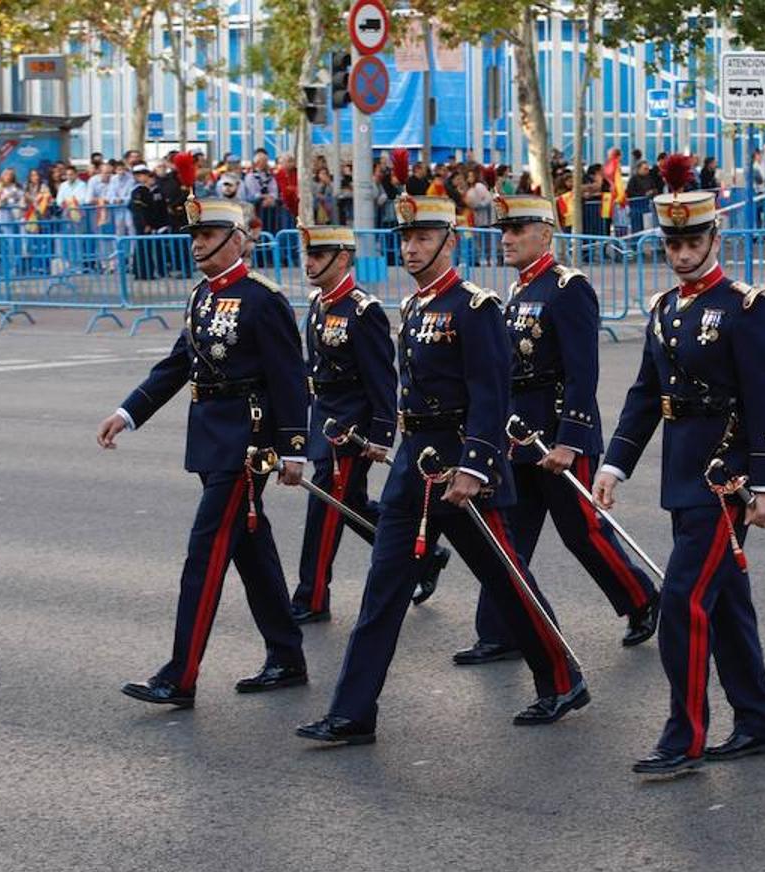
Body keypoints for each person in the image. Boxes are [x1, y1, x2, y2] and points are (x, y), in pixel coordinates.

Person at [295, 194, 590, 746]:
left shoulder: (473, 307)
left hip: (462, 469)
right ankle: (352, 711)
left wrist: (476, 466)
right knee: (382, 590)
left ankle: (562, 676)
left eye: (424, 239)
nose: (411, 248)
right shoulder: (413, 307)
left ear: (449, 243)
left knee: (508, 580)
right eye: (405, 239)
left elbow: (490, 392)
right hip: (415, 470)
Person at [593, 155, 765, 779]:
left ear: (714, 240)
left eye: (691, 241)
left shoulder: (746, 308)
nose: (680, 253)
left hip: (723, 483)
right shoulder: (665, 309)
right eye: (672, 242)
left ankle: (686, 734)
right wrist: (615, 465)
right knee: (726, 606)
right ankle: (756, 722)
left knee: (681, 603)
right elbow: (647, 396)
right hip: (683, 479)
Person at [97, 198, 310, 708]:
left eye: (209, 233)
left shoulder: (264, 299)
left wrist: (294, 448)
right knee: (250, 551)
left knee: (205, 553)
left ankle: (180, 675)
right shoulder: (201, 296)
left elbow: (289, 378)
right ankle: (287, 655)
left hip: (247, 445)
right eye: (194, 234)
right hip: (211, 439)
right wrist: (127, 413)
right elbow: (177, 366)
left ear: (237, 239)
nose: (197, 243)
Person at [450, 194, 661, 667]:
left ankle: (641, 598)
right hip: (518, 435)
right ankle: (502, 630)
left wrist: (570, 438)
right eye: (503, 231)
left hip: (558, 433)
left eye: (517, 231)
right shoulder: (518, 292)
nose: (505, 239)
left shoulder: (567, 288)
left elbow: (581, 372)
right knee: (507, 538)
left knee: (582, 532)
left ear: (544, 234)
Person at [288, 226, 451, 624]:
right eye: (307, 254)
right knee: (349, 505)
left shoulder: (363, 311)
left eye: (317, 255)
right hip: (323, 419)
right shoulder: (320, 304)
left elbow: (382, 378)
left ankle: (311, 596)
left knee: (325, 506)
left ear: (341, 259)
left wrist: (379, 434)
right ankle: (426, 555)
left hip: (349, 428)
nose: (308, 262)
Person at [128, 163, 169, 279]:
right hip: (143, 225)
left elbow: (157, 209)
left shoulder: (152, 191)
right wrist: (145, 224)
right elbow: (138, 210)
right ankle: (142, 273)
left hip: (152, 224)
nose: (145, 177)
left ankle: (150, 271)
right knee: (142, 248)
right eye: (141, 175)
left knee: (150, 248)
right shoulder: (138, 191)